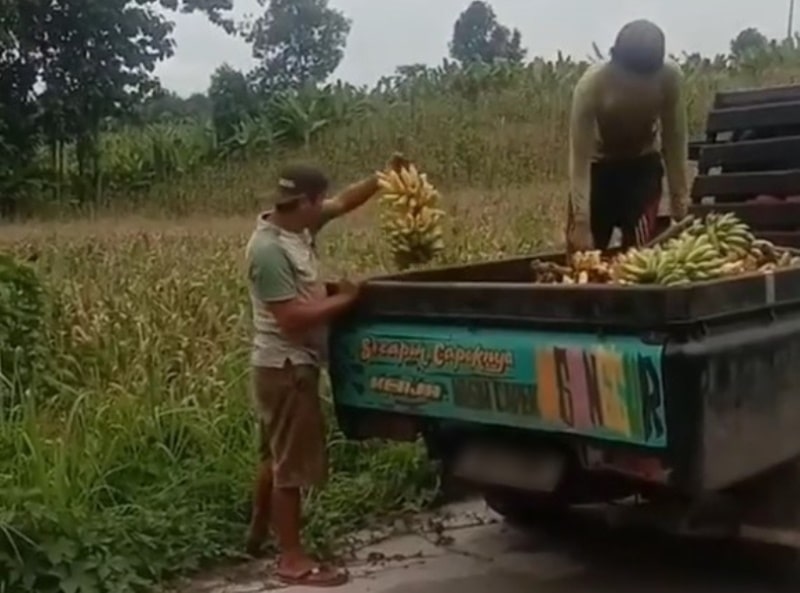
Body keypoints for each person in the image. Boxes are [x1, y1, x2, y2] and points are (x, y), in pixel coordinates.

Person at [243, 154, 409, 587]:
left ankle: (259, 533)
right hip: (287, 369)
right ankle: (292, 560)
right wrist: (347, 299)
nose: (327, 208)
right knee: (291, 468)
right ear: (307, 202)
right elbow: (293, 319)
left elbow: (344, 202)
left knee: (274, 455)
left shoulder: (298, 225)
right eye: (322, 202)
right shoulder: (269, 249)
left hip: (282, 367)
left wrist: (382, 176)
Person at [566, 19, 690, 253]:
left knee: (640, 254)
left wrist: (679, 203)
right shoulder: (592, 84)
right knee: (583, 255)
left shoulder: (669, 77)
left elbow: (675, 139)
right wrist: (581, 221)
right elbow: (579, 158)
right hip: (597, 168)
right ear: (615, 61)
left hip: (641, 168)